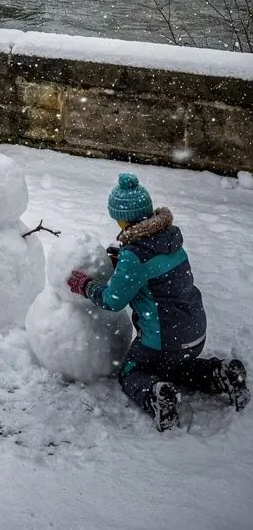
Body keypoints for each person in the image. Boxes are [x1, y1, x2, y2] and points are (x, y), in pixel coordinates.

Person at [68, 171, 249, 431]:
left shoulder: (135, 256)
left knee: (132, 371)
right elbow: (155, 267)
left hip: (164, 339)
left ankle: (155, 395)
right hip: (195, 331)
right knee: (178, 367)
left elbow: (113, 300)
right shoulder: (171, 239)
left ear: (120, 217)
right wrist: (124, 259)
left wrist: (85, 285)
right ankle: (222, 373)